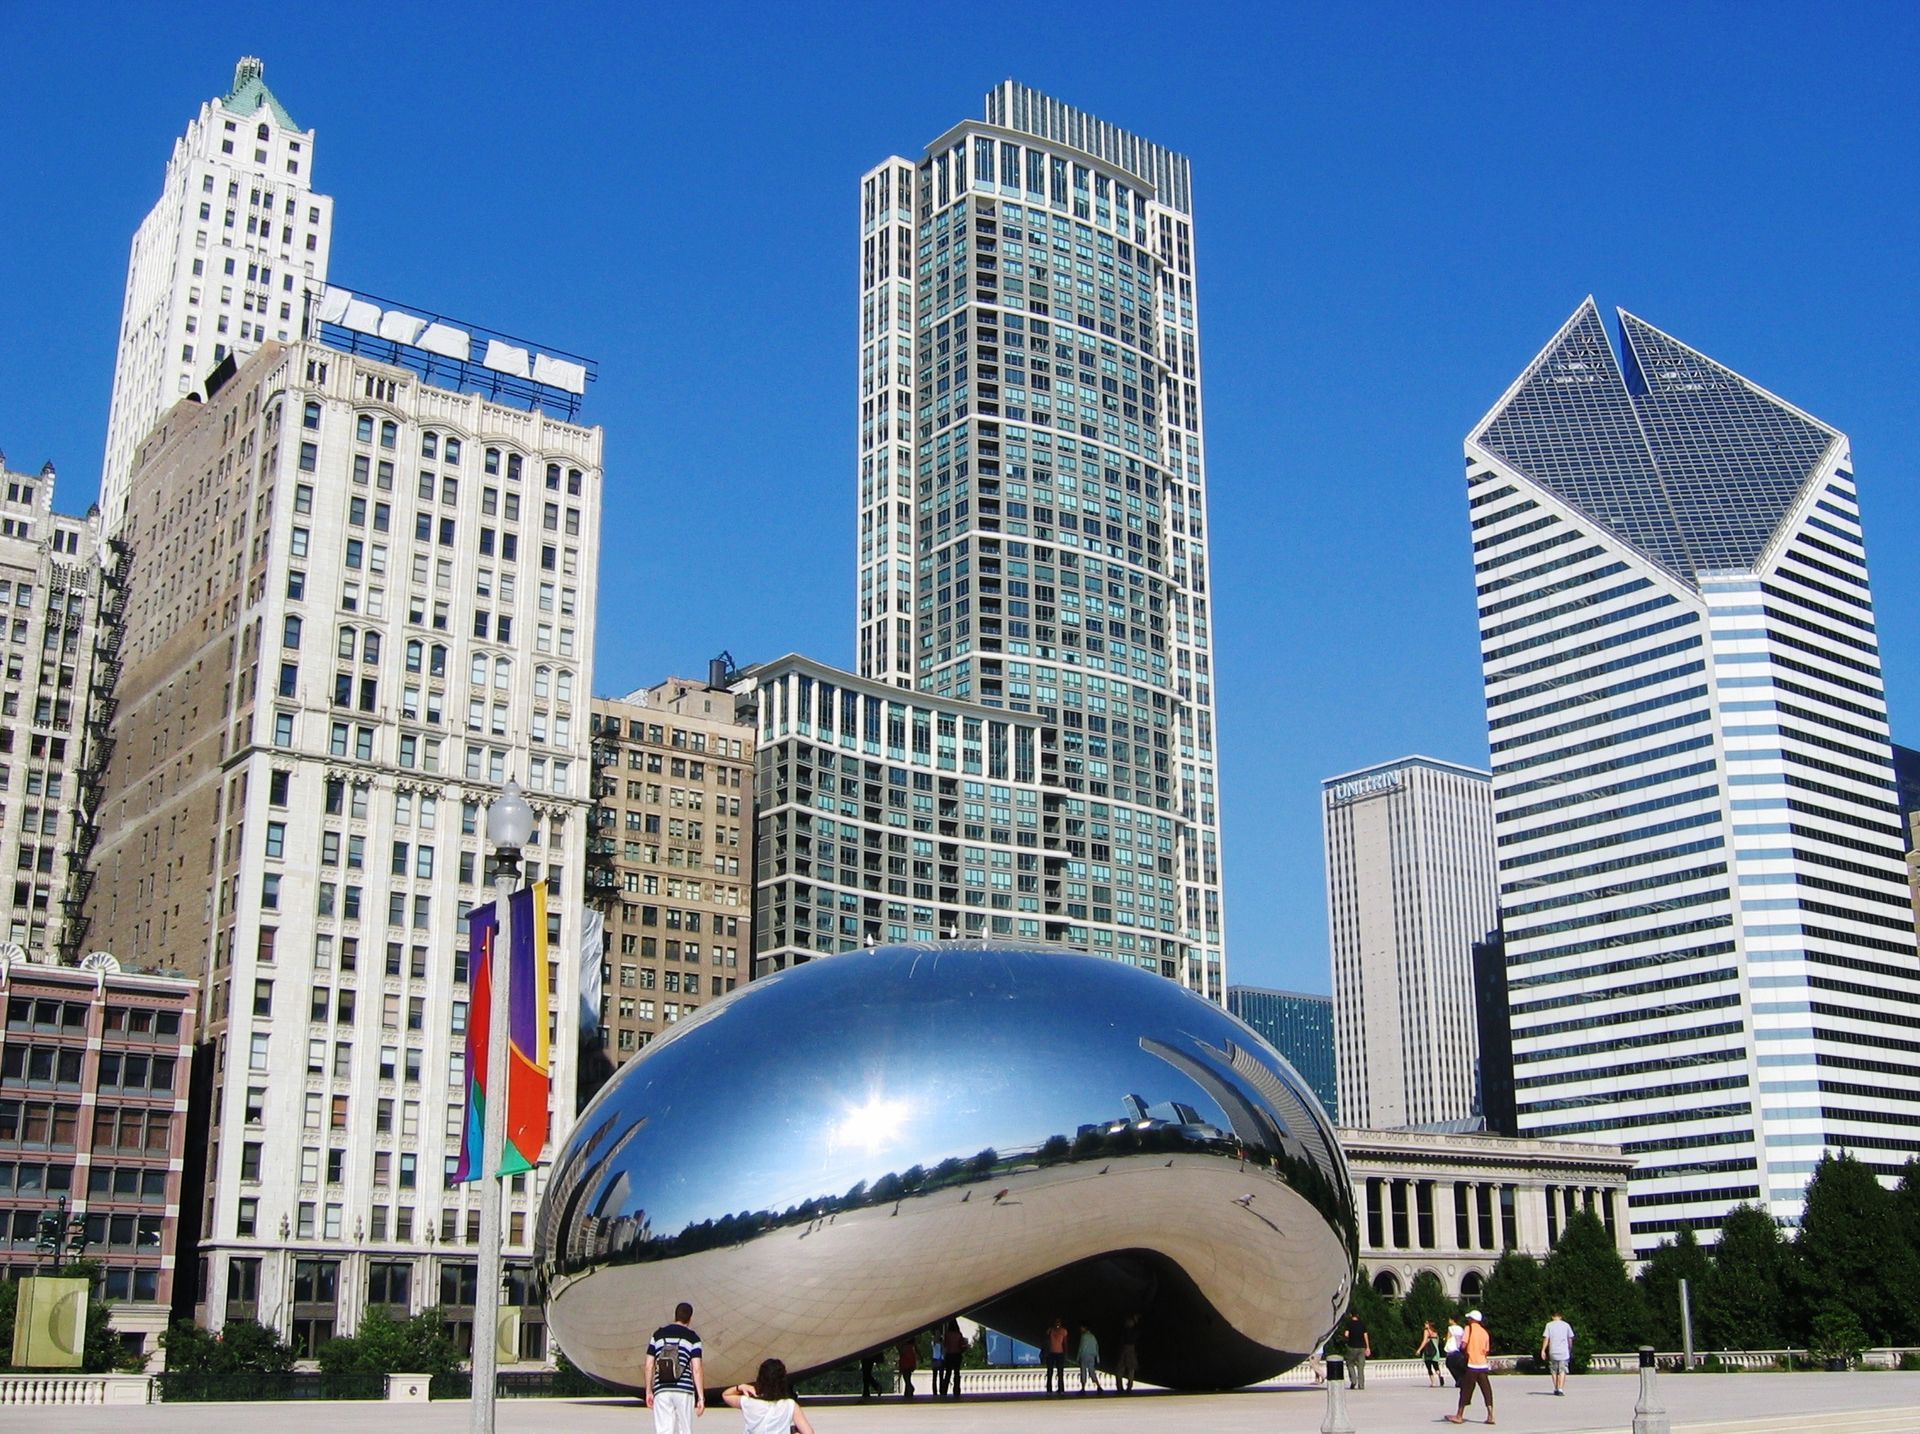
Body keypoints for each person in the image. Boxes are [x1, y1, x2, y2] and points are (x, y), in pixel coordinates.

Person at [645, 1301, 705, 1434]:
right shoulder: (693, 1338)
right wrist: (700, 1397)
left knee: (664, 1430)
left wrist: (649, 1391)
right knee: (685, 1429)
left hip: (662, 1389)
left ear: (675, 1315)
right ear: (690, 1318)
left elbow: (649, 1365)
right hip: (684, 1389)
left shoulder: (658, 1335)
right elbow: (697, 1369)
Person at [722, 1359, 815, 1434]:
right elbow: (809, 1432)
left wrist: (741, 1387)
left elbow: (726, 1395)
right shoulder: (790, 1405)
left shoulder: (748, 1402)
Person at [1446, 1309, 1494, 1425]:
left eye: (1469, 1318)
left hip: (1472, 1364)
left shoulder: (1469, 1329)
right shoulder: (1484, 1332)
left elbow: (1463, 1344)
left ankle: (1459, 1415)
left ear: (1472, 1320)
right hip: (1483, 1365)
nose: (1467, 1320)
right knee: (1486, 1390)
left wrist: (1463, 1351)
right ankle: (1490, 1415)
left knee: (1466, 1390)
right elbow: (1486, 1350)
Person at [1541, 1311, 1575, 1396]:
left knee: (1554, 1370)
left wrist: (1543, 1350)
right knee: (1562, 1370)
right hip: (1564, 1351)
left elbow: (1546, 1338)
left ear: (1552, 1317)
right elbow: (1570, 1338)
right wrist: (1570, 1348)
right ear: (1561, 1317)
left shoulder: (1549, 1325)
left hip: (1553, 1351)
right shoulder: (1566, 1325)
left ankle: (1556, 1387)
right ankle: (1560, 1389)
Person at [1338, 1309, 1371, 1391]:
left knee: (1350, 1364)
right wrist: (1368, 1347)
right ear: (1358, 1315)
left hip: (1352, 1346)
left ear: (1351, 1315)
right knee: (1361, 1366)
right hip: (1361, 1347)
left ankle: (1353, 1380)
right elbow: (1365, 1336)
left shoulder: (1349, 1324)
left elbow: (1346, 1334)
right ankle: (1361, 1384)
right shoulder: (1362, 1324)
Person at [1043, 1317, 1070, 1395]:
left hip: (1060, 1353)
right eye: (1056, 1322)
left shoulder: (1063, 1331)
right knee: (1050, 1372)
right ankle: (1049, 1390)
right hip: (1051, 1353)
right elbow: (1046, 1340)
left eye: (1059, 1322)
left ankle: (1061, 1389)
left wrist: (1066, 1353)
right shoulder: (1050, 1330)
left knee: (1060, 1372)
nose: (1057, 1324)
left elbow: (1065, 1343)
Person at [1114, 1313, 1140, 1394]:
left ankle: (1119, 1387)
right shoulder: (1134, 1332)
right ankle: (1129, 1387)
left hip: (1123, 1349)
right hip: (1131, 1349)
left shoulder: (1123, 1331)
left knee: (1120, 1369)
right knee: (1131, 1369)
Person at [943, 1320, 967, 1400]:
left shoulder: (947, 1334)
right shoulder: (959, 1334)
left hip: (949, 1355)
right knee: (957, 1373)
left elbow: (945, 1345)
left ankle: (944, 1389)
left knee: (948, 1374)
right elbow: (962, 1345)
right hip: (957, 1355)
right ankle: (956, 1389)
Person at [1075, 1324, 1102, 1394]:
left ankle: (1083, 1388)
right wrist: (1097, 1357)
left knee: (1083, 1371)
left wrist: (1078, 1358)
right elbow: (1096, 1347)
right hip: (1092, 1356)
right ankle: (1098, 1386)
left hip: (1084, 1355)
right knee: (1092, 1371)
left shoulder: (1083, 1336)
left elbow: (1081, 1347)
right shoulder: (1093, 1336)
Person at [1443, 1314, 1467, 1388]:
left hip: (1451, 1349)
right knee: (1459, 1366)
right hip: (1459, 1350)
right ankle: (1462, 1380)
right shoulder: (1460, 1328)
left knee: (1450, 1365)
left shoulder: (1451, 1328)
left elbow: (1448, 1338)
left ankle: (1459, 1380)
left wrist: (1444, 1340)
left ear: (1452, 1320)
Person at [1416, 1320, 1442, 1387]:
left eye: (1426, 1323)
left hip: (1428, 1351)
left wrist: (1419, 1350)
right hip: (1435, 1351)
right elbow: (1438, 1342)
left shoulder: (1426, 1331)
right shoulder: (1436, 1332)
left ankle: (1433, 1382)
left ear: (1429, 1325)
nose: (1424, 1324)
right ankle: (1439, 1376)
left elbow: (1424, 1341)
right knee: (1436, 1366)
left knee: (1429, 1367)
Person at [929, 1323, 947, 1398]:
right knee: (935, 1376)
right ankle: (935, 1391)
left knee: (941, 1376)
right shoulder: (933, 1342)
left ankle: (941, 1390)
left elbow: (944, 1350)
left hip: (941, 1359)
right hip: (935, 1359)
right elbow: (933, 1344)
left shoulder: (942, 1342)